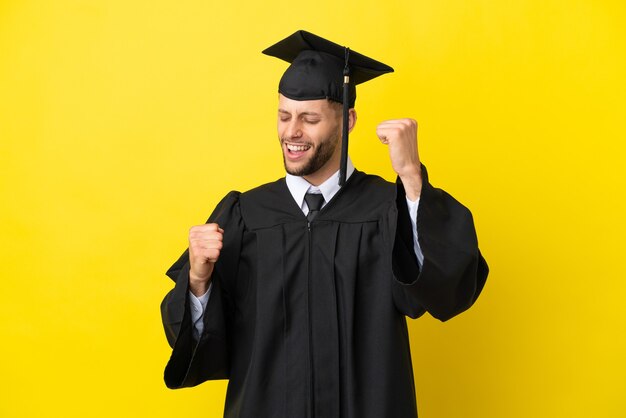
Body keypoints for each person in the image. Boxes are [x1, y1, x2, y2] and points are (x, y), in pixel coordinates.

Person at [161, 30, 488, 418]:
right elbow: (206, 345)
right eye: (284, 116)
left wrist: (412, 178)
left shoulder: (388, 208)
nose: (291, 132)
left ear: (347, 120)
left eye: (309, 118)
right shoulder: (246, 216)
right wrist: (198, 281)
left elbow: (448, 290)